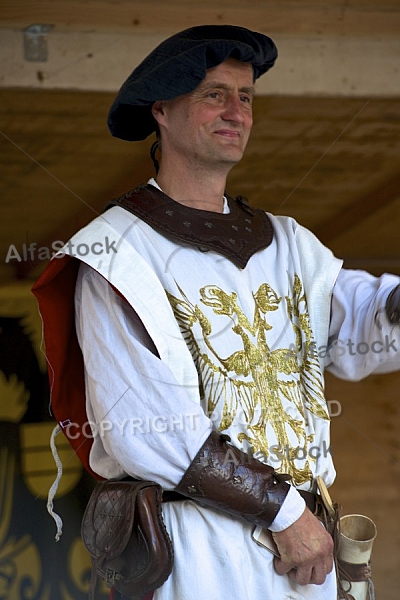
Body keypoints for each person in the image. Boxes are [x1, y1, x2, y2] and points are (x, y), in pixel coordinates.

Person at [32, 25, 400, 600]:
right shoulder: (117, 252)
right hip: (198, 545)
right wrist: (286, 517)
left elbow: (362, 326)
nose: (236, 111)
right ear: (162, 110)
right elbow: (145, 429)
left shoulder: (289, 244)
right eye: (214, 94)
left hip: (308, 550)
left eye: (246, 96)